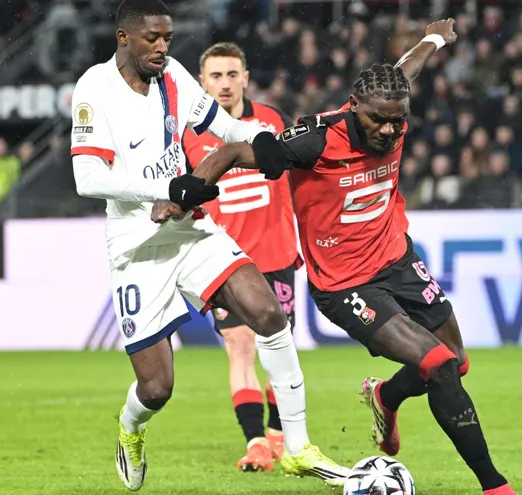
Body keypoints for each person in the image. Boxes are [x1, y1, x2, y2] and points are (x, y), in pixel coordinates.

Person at [158, 19, 517, 495]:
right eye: (378, 120)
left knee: (456, 359)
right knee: (438, 365)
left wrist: (432, 38)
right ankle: (495, 486)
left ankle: (386, 396)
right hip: (346, 285)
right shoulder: (315, 140)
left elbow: (406, 67)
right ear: (355, 108)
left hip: (398, 258)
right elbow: (234, 152)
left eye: (398, 120)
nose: (389, 130)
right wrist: (189, 193)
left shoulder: (391, 101)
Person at [70, 0, 349, 491]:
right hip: (137, 246)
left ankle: (298, 447)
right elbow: (87, 177)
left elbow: (224, 128)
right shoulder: (95, 89)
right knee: (157, 388)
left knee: (268, 314)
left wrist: (261, 139)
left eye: (167, 39)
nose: (162, 47)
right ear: (122, 38)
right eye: (152, 39)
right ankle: (130, 428)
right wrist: (166, 189)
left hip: (190, 229)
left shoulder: (173, 75)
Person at [182, 42, 299, 472]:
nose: (225, 84)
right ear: (202, 82)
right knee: (240, 345)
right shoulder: (188, 134)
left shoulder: (271, 121)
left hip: (276, 253)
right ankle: (255, 442)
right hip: (223, 259)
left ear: (246, 77)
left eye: (232, 74)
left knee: (278, 346)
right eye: (215, 76)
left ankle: (278, 435)